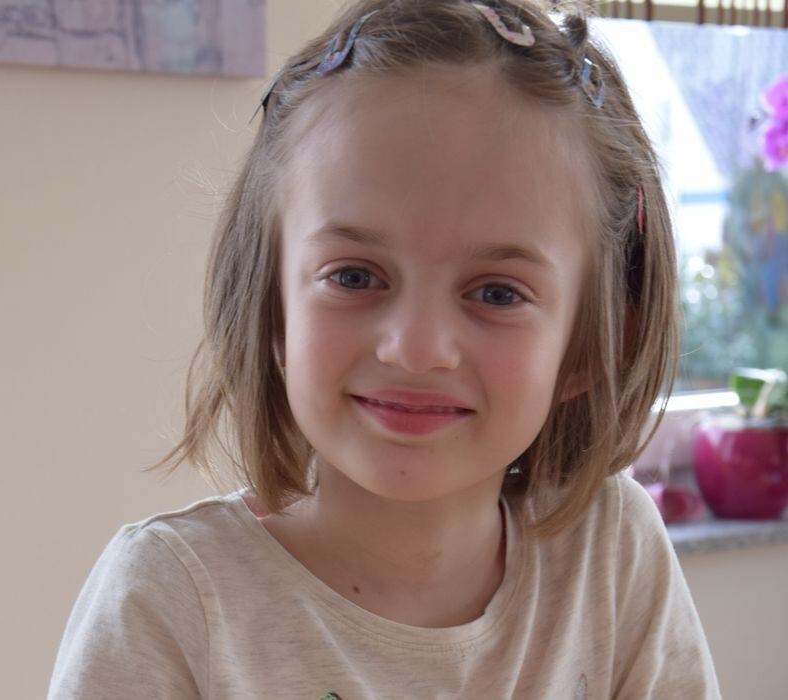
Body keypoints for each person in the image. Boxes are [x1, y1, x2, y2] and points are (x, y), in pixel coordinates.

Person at [47, 0, 721, 697]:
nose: (415, 350)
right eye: (354, 277)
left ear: (591, 346)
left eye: (497, 293)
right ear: (272, 310)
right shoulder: (169, 600)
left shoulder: (613, 551)